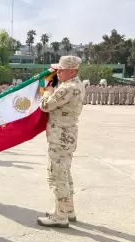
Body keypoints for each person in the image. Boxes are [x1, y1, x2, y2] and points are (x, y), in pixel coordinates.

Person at [37, 56, 85, 228]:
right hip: (66, 136)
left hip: (60, 137)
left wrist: (47, 91)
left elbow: (45, 105)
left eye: (61, 70)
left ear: (72, 71)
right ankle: (68, 209)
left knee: (57, 175)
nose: (57, 72)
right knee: (64, 173)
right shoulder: (76, 84)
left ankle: (60, 216)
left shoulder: (68, 88)